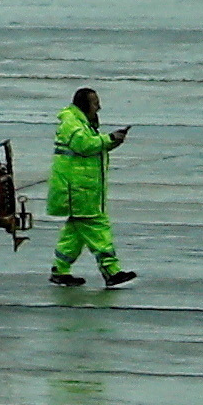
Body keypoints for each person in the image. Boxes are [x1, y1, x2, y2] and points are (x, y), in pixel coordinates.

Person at [50, 88, 135, 288]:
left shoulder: (80, 123)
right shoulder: (72, 124)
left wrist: (112, 141)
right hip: (78, 190)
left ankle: (60, 270)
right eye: (95, 103)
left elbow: (91, 147)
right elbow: (85, 145)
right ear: (84, 105)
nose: (99, 107)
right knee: (98, 227)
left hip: (83, 188)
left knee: (75, 233)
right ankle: (111, 271)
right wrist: (110, 139)